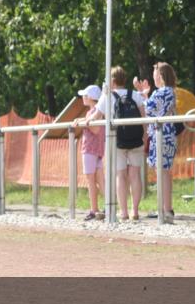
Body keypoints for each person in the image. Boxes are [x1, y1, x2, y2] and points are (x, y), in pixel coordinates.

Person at [84, 66, 146, 221]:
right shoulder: (136, 95)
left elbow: (96, 116)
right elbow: (144, 119)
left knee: (120, 175)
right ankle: (135, 211)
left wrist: (84, 121)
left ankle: (124, 212)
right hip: (136, 139)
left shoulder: (108, 97)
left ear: (112, 80)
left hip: (117, 140)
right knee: (135, 174)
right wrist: (144, 138)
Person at [135, 62, 179, 223]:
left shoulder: (163, 92)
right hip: (166, 135)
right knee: (164, 171)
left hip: (162, 135)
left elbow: (146, 109)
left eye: (154, 75)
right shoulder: (169, 92)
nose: (153, 78)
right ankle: (165, 208)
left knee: (162, 171)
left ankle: (165, 209)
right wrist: (146, 95)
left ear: (160, 76)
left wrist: (140, 94)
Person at [77, 85, 104, 221]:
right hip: (98, 150)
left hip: (90, 149)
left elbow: (96, 129)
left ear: (91, 98)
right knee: (99, 180)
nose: (83, 97)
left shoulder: (94, 113)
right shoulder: (95, 112)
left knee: (91, 181)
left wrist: (83, 123)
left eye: (85, 95)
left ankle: (94, 209)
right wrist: (82, 120)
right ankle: (108, 207)